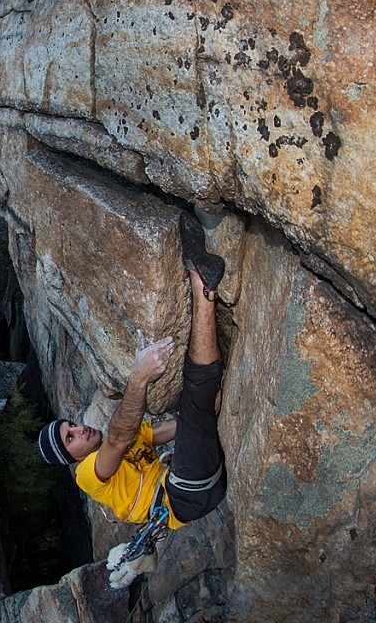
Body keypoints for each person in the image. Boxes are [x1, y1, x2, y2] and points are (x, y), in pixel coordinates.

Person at [37, 212, 227, 532]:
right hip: (182, 497)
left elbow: (179, 427)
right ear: (72, 456)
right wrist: (139, 376)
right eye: (70, 438)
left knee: (198, 403)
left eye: (71, 426)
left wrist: (219, 404)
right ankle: (201, 283)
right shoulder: (88, 476)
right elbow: (117, 439)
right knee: (196, 395)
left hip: (198, 482)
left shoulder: (135, 437)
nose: (80, 430)